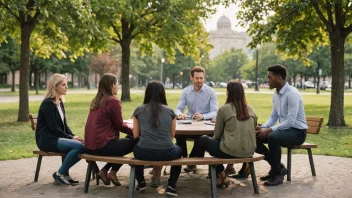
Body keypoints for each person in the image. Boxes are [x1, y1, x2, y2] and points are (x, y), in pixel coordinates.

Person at [192, 80, 257, 187]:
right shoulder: (251, 109)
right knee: (218, 147)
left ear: (228, 93)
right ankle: (221, 176)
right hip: (249, 151)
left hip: (230, 151)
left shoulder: (224, 109)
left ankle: (219, 174)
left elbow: (217, 135)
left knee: (203, 139)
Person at [256, 64, 308, 186]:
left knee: (273, 137)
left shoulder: (292, 94)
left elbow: (290, 121)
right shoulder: (276, 94)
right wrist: (263, 127)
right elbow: (274, 116)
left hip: (298, 132)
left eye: (270, 78)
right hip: (286, 130)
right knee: (256, 137)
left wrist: (269, 130)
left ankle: (277, 175)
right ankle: (278, 167)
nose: (267, 81)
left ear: (278, 78)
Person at [132, 81, 182, 197]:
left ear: (147, 93)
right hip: (167, 152)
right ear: (162, 93)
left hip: (144, 152)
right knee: (180, 151)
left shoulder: (138, 110)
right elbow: (172, 135)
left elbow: (135, 136)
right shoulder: (170, 111)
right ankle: (171, 186)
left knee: (136, 149)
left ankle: (141, 182)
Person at [84, 73, 135, 186]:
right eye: (117, 83)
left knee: (126, 141)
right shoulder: (113, 101)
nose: (118, 86)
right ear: (112, 85)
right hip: (102, 145)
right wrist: (137, 132)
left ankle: (106, 171)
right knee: (137, 139)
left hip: (90, 146)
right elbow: (119, 126)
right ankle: (112, 171)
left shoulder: (97, 100)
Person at [35, 73, 85, 185]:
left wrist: (74, 136)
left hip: (57, 137)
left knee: (84, 145)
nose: (66, 87)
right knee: (78, 146)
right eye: (63, 85)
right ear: (55, 86)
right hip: (47, 139)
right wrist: (71, 138)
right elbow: (53, 128)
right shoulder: (47, 103)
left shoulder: (60, 103)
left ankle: (64, 174)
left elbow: (64, 126)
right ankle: (61, 173)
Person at [175, 66, 218, 173]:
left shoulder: (210, 92)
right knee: (178, 134)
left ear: (204, 77)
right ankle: (182, 158)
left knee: (202, 138)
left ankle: (192, 160)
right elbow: (178, 109)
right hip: (188, 123)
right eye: (197, 78)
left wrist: (203, 116)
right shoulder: (186, 91)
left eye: (201, 78)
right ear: (192, 78)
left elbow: (215, 111)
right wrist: (180, 115)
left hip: (205, 124)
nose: (199, 80)